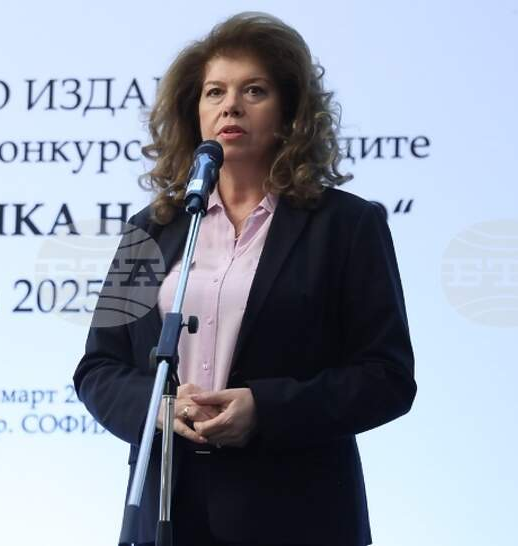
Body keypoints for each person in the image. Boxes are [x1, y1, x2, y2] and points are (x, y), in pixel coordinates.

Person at [73, 12, 416, 546]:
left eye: (253, 90)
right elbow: (99, 368)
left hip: (299, 515)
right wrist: (161, 409)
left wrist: (265, 410)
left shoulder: (346, 226)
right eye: (215, 92)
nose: (230, 105)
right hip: (168, 510)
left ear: (289, 113)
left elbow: (386, 377)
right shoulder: (154, 229)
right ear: (194, 113)